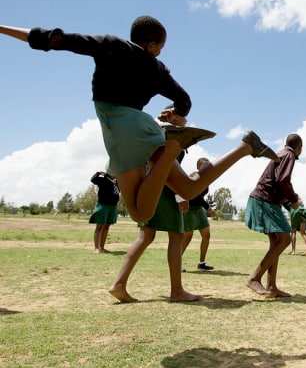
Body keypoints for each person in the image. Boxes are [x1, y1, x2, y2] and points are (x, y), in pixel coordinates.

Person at [0, 18, 278, 224]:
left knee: (141, 213)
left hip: (122, 129)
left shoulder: (110, 45)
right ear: (151, 44)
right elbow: (184, 101)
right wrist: (176, 115)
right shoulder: (157, 68)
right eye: (160, 47)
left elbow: (53, 39)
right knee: (190, 187)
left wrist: (3, 28)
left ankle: (173, 148)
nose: (159, 52)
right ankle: (246, 146)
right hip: (143, 127)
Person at [245, 134, 303, 298]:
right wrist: (293, 199)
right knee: (285, 239)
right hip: (265, 200)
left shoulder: (281, 153)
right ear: (299, 147)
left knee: (276, 243)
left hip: (265, 199)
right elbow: (283, 180)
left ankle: (272, 286)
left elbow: (279, 181)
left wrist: (288, 200)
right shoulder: (289, 154)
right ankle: (254, 277)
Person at [181, 158, 216, 271]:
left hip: (198, 208)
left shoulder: (206, 178)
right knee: (188, 236)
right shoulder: (194, 176)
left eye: (208, 165)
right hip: (189, 208)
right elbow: (195, 195)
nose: (206, 167)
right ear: (198, 166)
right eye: (204, 165)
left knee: (206, 235)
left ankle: (202, 263)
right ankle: (176, 262)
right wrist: (208, 208)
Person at [89, 171, 120, 253]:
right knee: (99, 226)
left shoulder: (117, 182)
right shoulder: (103, 180)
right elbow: (93, 180)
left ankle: (102, 247)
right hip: (103, 205)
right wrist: (98, 173)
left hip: (112, 206)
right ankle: (96, 248)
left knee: (107, 226)